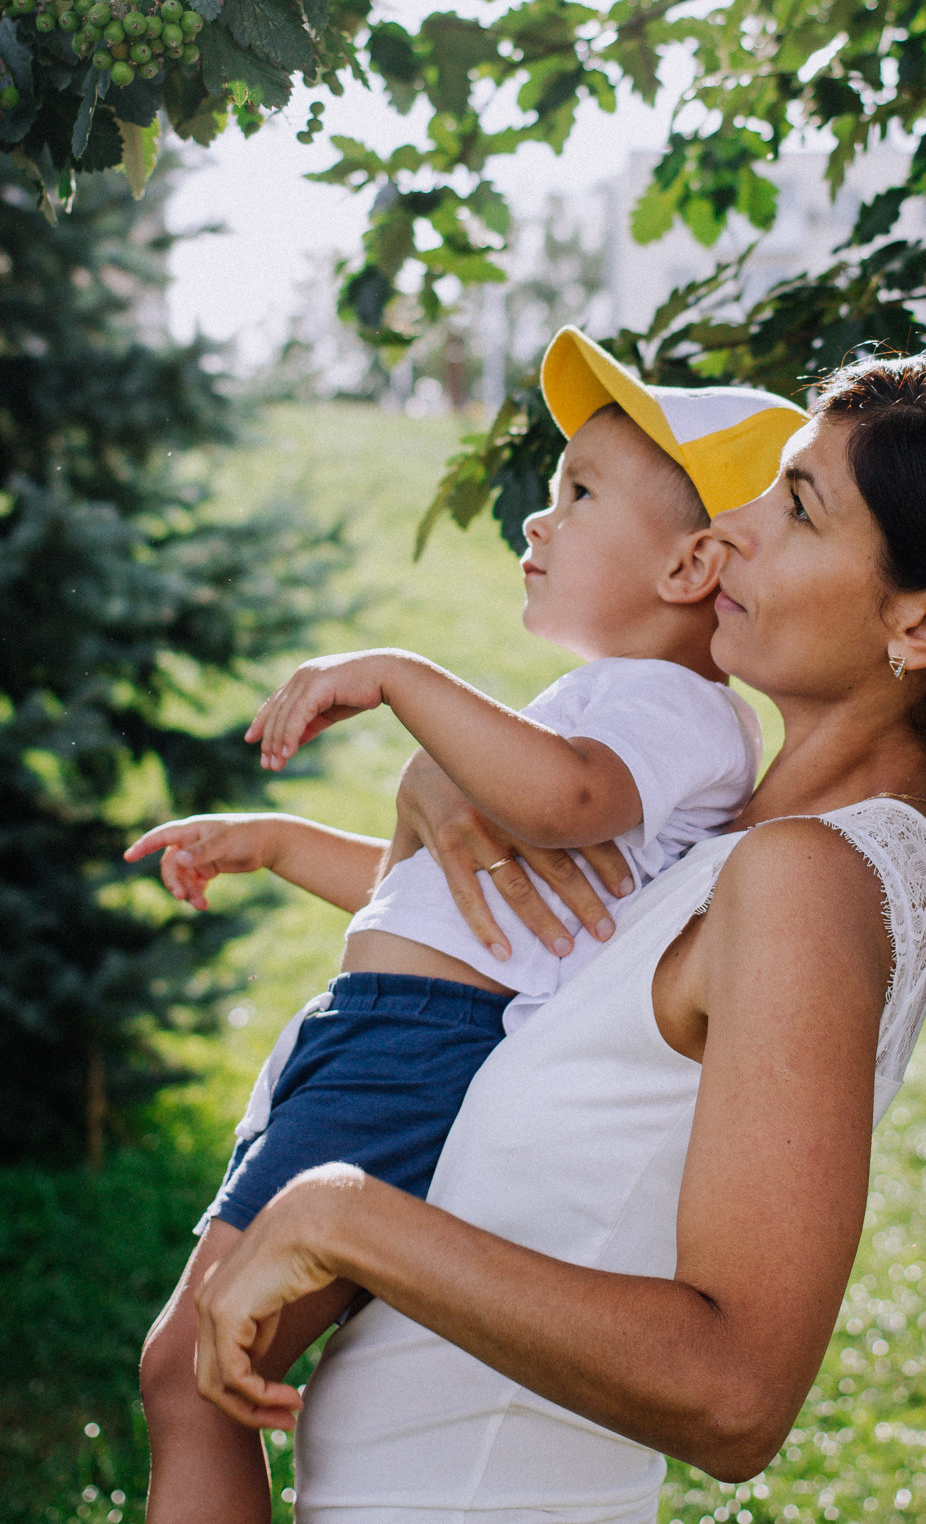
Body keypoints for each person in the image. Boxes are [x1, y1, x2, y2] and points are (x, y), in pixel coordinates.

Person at [190, 357, 926, 1524]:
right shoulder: (724, 837)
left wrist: (346, 1218)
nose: (727, 533)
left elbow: (735, 1398)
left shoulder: (803, 880)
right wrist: (421, 796)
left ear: (925, 620)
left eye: (794, 510)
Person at [128, 327, 807, 1524]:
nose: (539, 522)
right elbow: (461, 904)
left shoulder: (680, 712)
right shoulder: (610, 700)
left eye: (578, 495)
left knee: (189, 1378)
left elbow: (561, 799)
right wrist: (280, 843)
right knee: (195, 1374)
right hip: (382, 1030)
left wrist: (397, 674)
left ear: (694, 564)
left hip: (410, 1049)